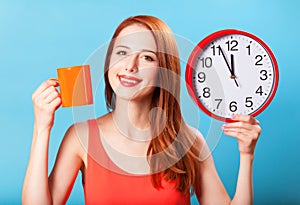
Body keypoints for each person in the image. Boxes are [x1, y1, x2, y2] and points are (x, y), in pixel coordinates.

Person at [22, 15, 261, 205]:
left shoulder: (190, 141)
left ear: (164, 71)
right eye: (122, 52)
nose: (130, 66)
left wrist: (246, 155)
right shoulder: (81, 136)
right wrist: (42, 127)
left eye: (147, 57)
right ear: (109, 64)